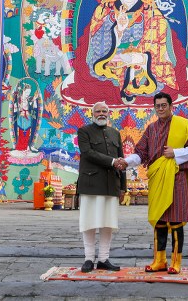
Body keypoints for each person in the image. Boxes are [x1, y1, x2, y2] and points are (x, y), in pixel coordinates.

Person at [120, 92, 188, 274]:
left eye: (164, 105)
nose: (161, 109)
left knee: (176, 222)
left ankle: (176, 262)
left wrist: (176, 153)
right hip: (158, 179)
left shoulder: (182, 124)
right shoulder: (151, 129)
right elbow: (141, 153)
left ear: (171, 107)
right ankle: (159, 260)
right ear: (154, 108)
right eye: (157, 106)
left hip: (177, 178)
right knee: (159, 222)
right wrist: (126, 161)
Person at [76, 102, 126, 273]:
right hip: (90, 184)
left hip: (111, 184)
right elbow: (88, 153)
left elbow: (122, 160)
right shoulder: (84, 131)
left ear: (109, 113)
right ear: (92, 113)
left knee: (108, 223)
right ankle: (88, 258)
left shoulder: (115, 133)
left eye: (105, 111)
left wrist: (123, 187)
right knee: (89, 222)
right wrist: (112, 162)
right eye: (98, 111)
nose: (101, 114)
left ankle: (104, 258)